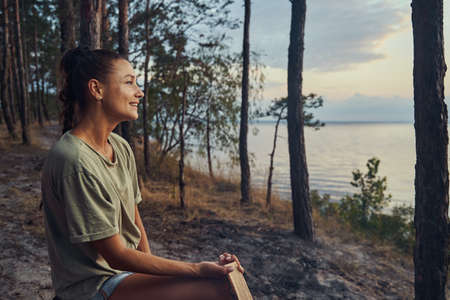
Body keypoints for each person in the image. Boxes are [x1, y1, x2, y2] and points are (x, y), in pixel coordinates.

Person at [41, 47, 244, 300]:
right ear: (97, 89)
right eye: (129, 82)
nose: (140, 92)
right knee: (216, 288)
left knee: (228, 279)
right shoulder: (75, 159)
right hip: (91, 288)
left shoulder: (120, 147)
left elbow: (135, 221)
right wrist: (196, 269)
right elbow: (116, 255)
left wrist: (160, 279)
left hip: (121, 278)